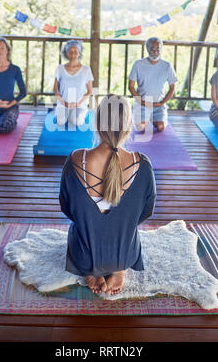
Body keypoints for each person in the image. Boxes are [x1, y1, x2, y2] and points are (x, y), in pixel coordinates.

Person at [59, 95, 156, 296]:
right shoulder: (142, 164)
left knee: (75, 228)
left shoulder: (76, 160)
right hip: (125, 255)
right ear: (129, 124)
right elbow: (145, 212)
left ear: (97, 122)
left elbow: (67, 208)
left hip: (85, 256)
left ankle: (90, 270)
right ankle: (119, 269)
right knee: (128, 228)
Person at [128, 37, 177, 132]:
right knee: (140, 128)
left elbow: (172, 88)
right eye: (152, 49)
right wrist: (141, 102)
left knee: (160, 128)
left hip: (159, 105)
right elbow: (131, 86)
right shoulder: (138, 64)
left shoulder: (167, 66)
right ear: (147, 49)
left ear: (161, 49)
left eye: (158, 49)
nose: (155, 51)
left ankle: (153, 118)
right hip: (142, 104)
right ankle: (145, 118)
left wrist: (162, 103)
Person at [53, 40, 93, 126]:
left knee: (76, 122)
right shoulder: (60, 69)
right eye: (70, 52)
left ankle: (81, 113)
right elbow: (55, 90)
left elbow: (89, 91)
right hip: (63, 103)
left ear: (79, 53)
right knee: (60, 122)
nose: (73, 54)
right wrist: (64, 103)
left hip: (79, 104)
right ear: (66, 53)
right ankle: (61, 113)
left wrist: (78, 103)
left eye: (75, 52)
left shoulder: (86, 69)